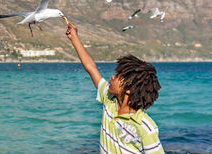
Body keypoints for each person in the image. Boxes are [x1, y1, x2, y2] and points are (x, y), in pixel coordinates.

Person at [66, 22, 164, 153]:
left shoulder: (145, 126)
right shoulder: (109, 100)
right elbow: (91, 68)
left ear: (129, 89)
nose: (112, 77)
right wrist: (74, 38)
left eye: (119, 76)